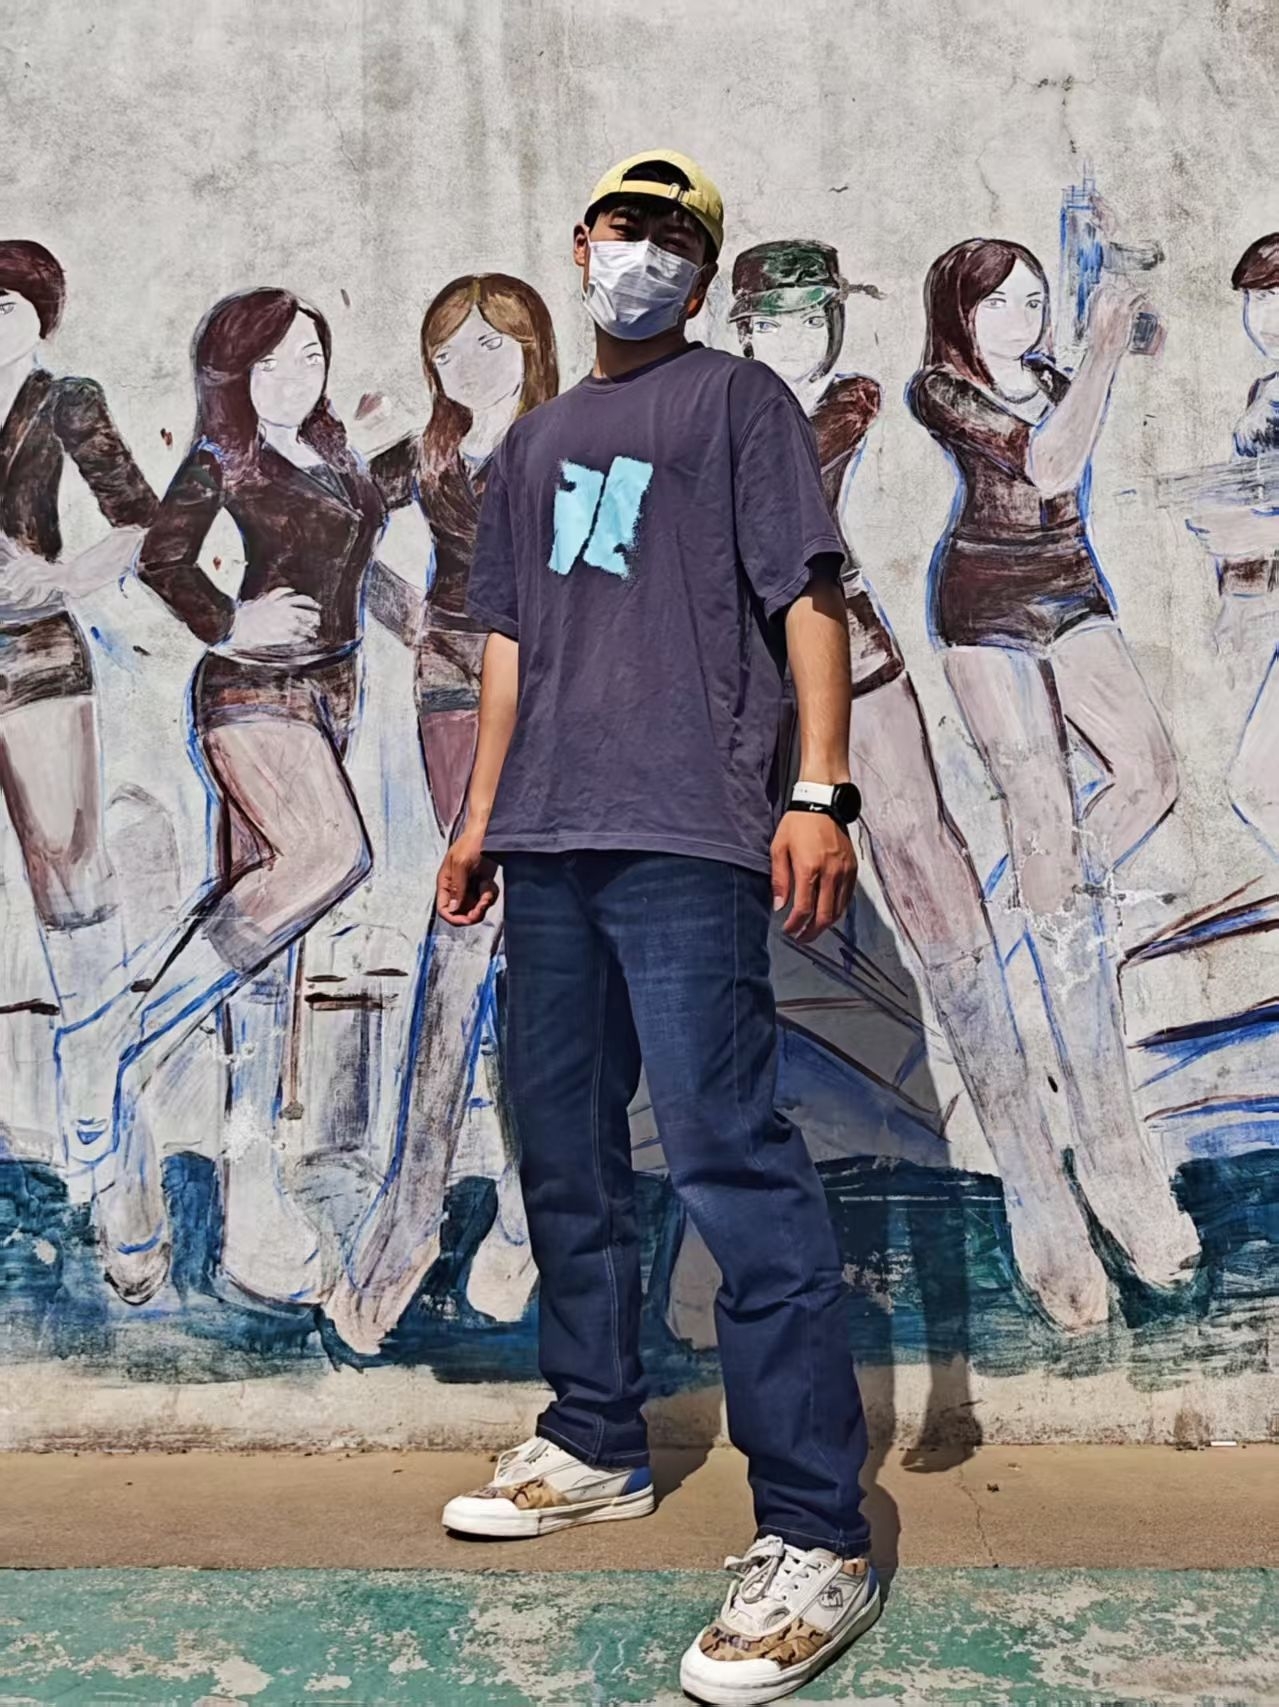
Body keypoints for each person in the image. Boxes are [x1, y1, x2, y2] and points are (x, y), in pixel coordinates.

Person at [435, 150, 881, 1707]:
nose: (644, 254)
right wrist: (478, 816)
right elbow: (505, 645)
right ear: (581, 241)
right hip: (546, 835)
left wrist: (815, 789)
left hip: (688, 829)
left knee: (727, 1158)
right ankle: (593, 1434)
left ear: (700, 270)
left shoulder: (734, 403)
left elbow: (804, 596)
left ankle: (815, 1529)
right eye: (626, 226)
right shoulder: (532, 441)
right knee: (560, 1149)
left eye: (675, 237)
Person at [731, 239, 1108, 1333]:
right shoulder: (706, 405)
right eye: (782, 319)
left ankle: (1036, 1183)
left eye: (818, 315)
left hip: (842, 637)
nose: (805, 337)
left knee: (929, 865)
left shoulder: (845, 404)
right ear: (743, 327)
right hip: (729, 664)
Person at [56, 287, 393, 1306]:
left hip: (330, 694)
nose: (295, 379)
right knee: (331, 855)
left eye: (310, 357)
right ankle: (123, 1043)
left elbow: (357, 547)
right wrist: (229, 621)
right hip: (252, 696)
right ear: (233, 374)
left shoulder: (333, 451)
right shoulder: (222, 458)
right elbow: (163, 556)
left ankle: (254, 1210)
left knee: (268, 957)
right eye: (272, 363)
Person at [907, 238, 1200, 1290]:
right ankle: (1112, 1157)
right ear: (960, 316)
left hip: (1069, 585)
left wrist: (1127, 323)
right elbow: (1047, 465)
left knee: (1147, 774)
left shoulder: (1046, 368)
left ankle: (1046, 912)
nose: (1021, 319)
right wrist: (1105, 346)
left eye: (1033, 300)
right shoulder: (942, 390)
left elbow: (1125, 359)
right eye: (999, 305)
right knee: (1039, 807)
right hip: (983, 603)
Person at [327, 274, 559, 1351]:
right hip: (454, 690)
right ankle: (439, 1209)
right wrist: (407, 614)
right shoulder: (429, 455)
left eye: (488, 345)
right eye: (450, 351)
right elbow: (335, 521)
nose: (469, 366)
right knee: (473, 928)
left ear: (529, 347)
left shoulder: (566, 438)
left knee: (513, 943)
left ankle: (474, 1209)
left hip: (554, 694)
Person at [0, 240, 156, 1176]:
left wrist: (57, 579)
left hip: (36, 655)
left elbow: (142, 520)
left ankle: (94, 1079)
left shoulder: (64, 400)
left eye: (4, 307)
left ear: (39, 318)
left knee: (69, 876)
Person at [1185, 234, 1279, 857]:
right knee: (1258, 787)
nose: (1267, 317)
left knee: (1260, 785)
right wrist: (1238, 600)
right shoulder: (1264, 394)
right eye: (1259, 299)